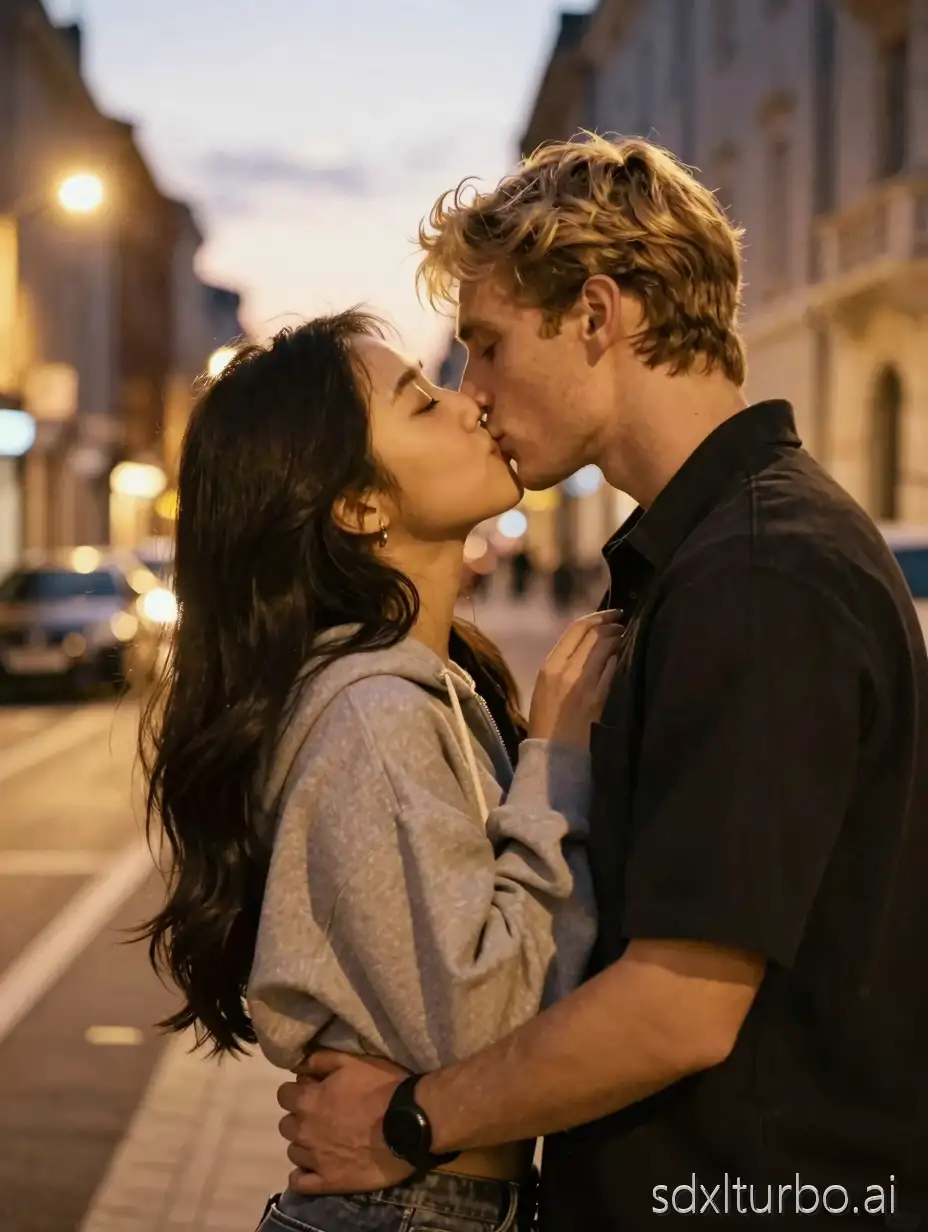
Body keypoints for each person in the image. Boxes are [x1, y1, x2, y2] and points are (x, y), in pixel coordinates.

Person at [276, 136, 928, 1228]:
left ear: (594, 314)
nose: (472, 392)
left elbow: (679, 1006)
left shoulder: (759, 571)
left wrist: (407, 1120)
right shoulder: (717, 552)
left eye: (484, 347)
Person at [138, 308, 620, 1232]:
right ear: (359, 507)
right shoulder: (372, 711)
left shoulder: (425, 687)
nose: (471, 400)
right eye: (423, 402)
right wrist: (556, 765)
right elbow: (484, 1026)